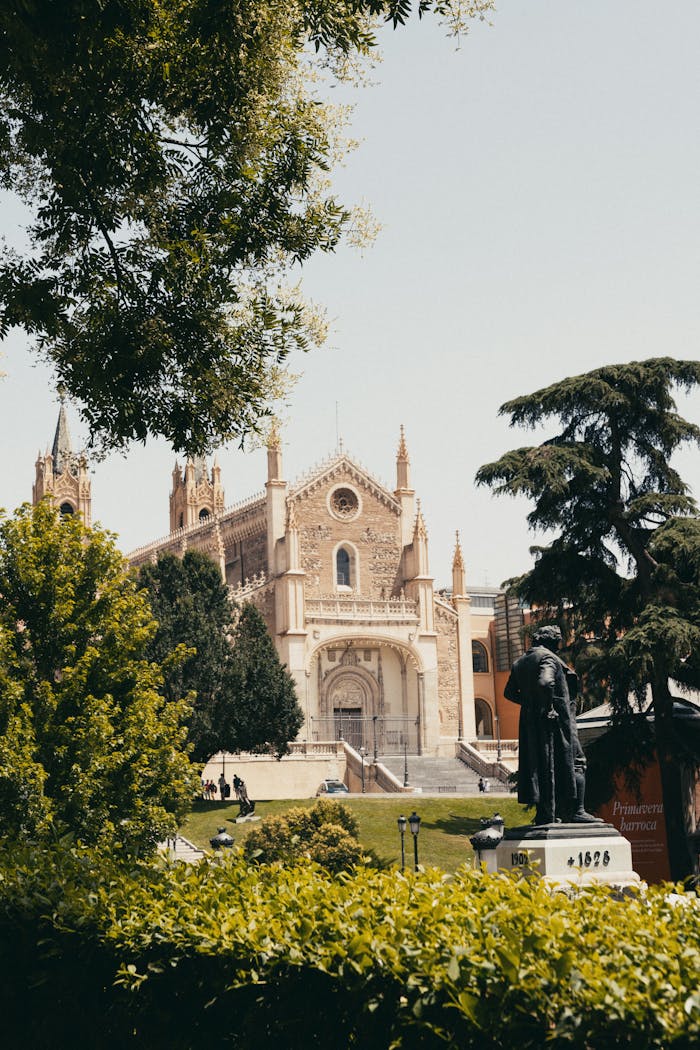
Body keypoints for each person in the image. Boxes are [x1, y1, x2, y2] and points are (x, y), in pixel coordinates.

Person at [504, 624, 599, 826]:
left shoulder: (520, 662)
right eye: (557, 642)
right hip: (556, 721)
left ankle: (545, 814)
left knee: (542, 764)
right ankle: (577, 811)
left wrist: (531, 704)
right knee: (577, 761)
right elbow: (545, 682)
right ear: (550, 641)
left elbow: (509, 693)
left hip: (531, 723)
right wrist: (548, 707)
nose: (558, 647)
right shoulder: (548, 658)